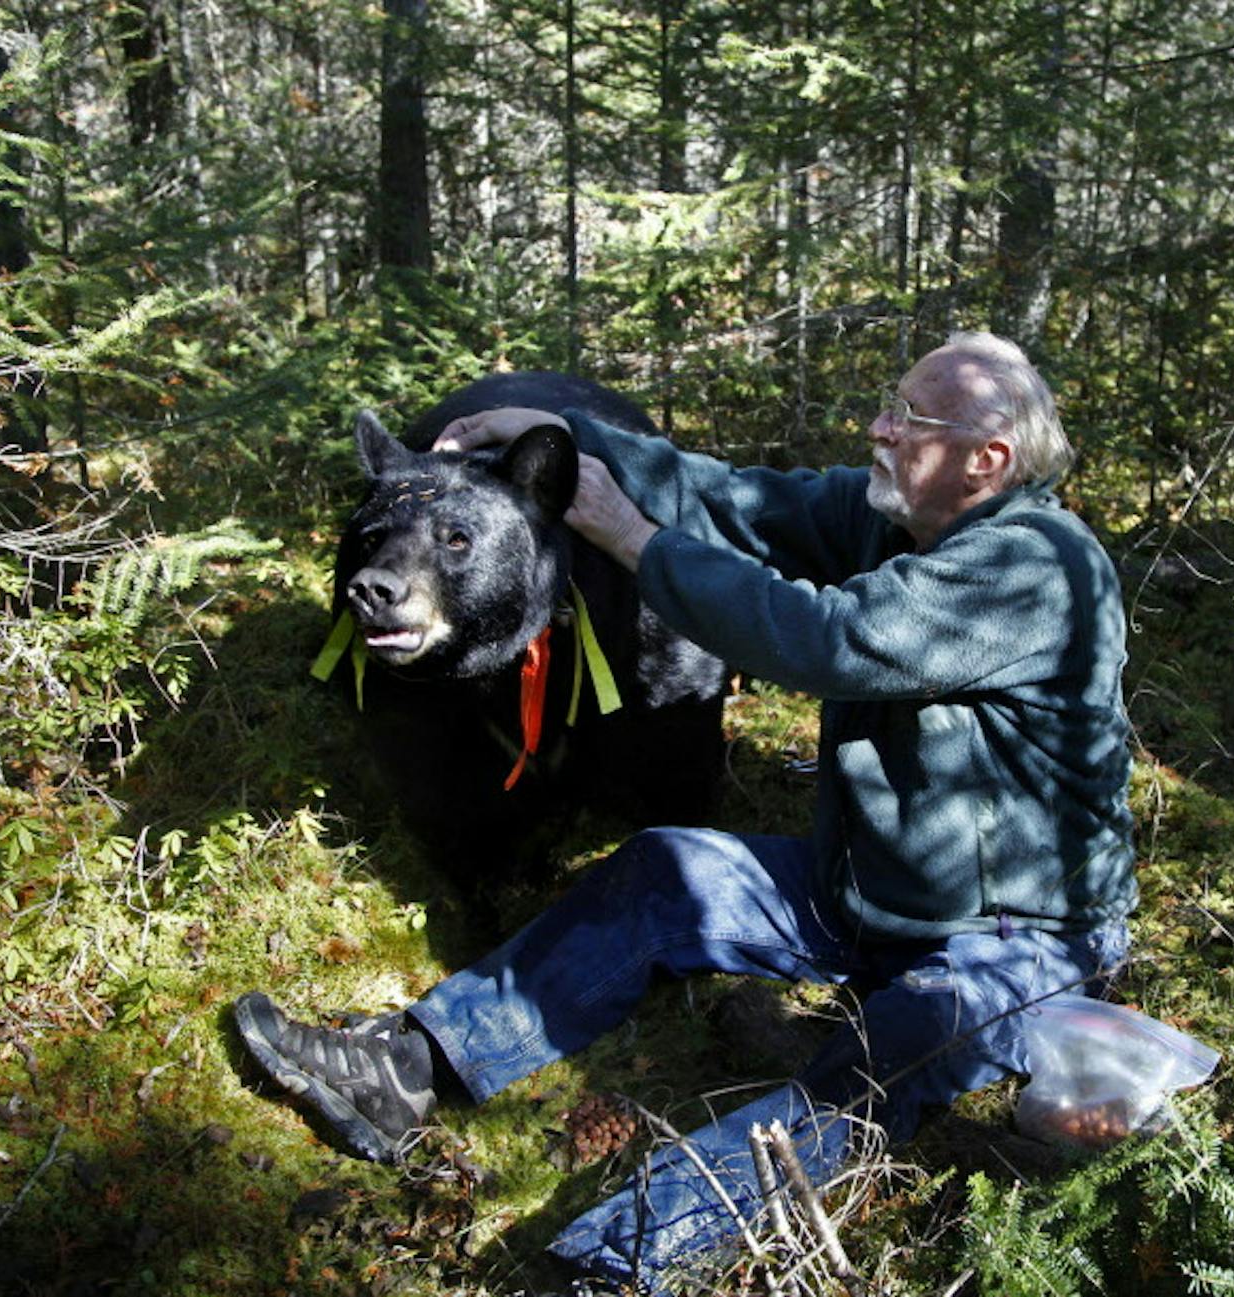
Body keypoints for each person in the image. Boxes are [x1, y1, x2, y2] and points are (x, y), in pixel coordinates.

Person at [233, 331, 1139, 1289]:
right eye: (888, 401)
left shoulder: (1036, 567)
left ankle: (612, 1262)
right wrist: (557, 428)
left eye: (909, 417)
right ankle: (406, 1064)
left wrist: (632, 539)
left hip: (1014, 940)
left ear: (986, 460)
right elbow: (729, 493)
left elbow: (829, 639)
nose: (878, 426)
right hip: (867, 885)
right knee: (669, 868)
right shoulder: (896, 517)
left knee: (865, 1071)